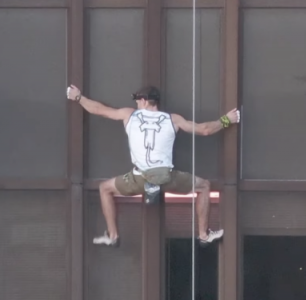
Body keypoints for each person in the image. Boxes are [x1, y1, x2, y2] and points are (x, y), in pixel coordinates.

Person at [66, 83, 239, 247]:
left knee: (105, 188)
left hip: (138, 177)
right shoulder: (173, 119)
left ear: (143, 101)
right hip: (167, 177)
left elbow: (99, 110)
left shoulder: (130, 114)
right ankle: (203, 235)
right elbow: (205, 129)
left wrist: (78, 97)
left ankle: (113, 236)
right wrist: (227, 120)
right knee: (204, 186)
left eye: (137, 101)